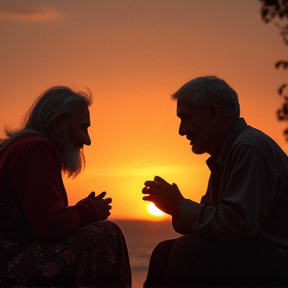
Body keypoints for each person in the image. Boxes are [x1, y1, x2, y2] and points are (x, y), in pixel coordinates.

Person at [142, 76, 288, 287]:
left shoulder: (249, 148)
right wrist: (177, 208)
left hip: (278, 260)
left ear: (213, 113)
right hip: (257, 254)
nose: (181, 131)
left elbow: (238, 225)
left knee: (188, 250)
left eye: (185, 118)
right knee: (164, 252)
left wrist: (180, 206)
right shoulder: (227, 154)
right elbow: (216, 223)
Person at [0, 86, 131, 287]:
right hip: (10, 266)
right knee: (105, 233)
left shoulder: (18, 147)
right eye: (82, 128)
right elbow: (50, 226)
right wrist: (89, 210)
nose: (87, 140)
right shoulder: (36, 148)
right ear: (58, 124)